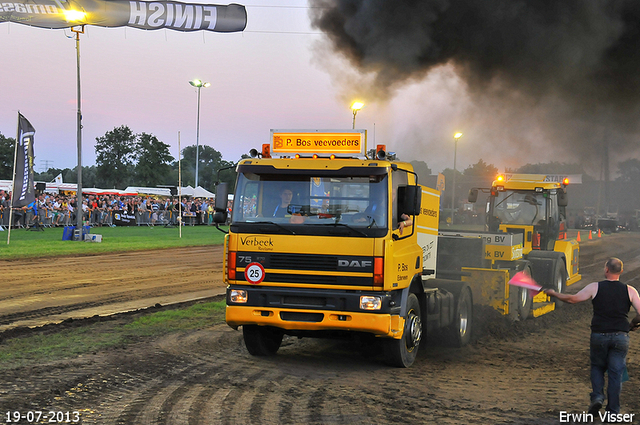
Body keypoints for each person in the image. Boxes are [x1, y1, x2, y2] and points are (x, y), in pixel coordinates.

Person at [545, 258, 640, 416]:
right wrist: (633, 324)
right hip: (620, 337)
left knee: (597, 367)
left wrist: (554, 293)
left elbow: (573, 299)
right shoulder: (630, 290)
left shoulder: (595, 287)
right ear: (621, 272)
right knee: (616, 373)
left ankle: (597, 397)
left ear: (606, 270)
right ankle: (613, 412)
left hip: (599, 335)